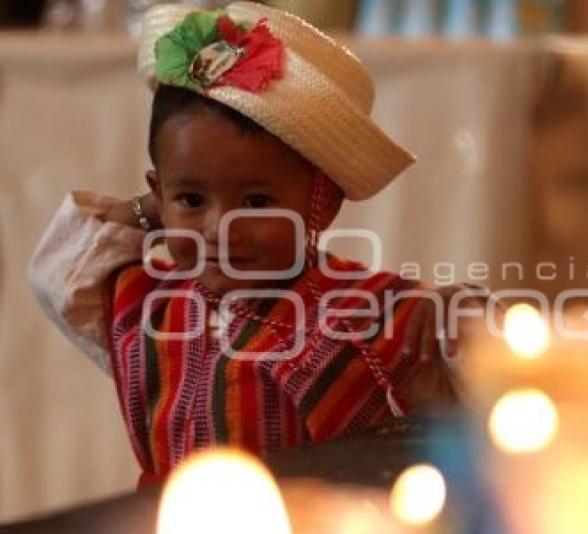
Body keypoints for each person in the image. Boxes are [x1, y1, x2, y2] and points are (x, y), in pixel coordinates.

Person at [28, 2, 478, 487]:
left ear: (322, 203)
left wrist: (465, 321)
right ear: (158, 193)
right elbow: (58, 271)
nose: (222, 227)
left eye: (257, 201)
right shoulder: (148, 307)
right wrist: (152, 213)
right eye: (192, 197)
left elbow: (487, 376)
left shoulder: (366, 309)